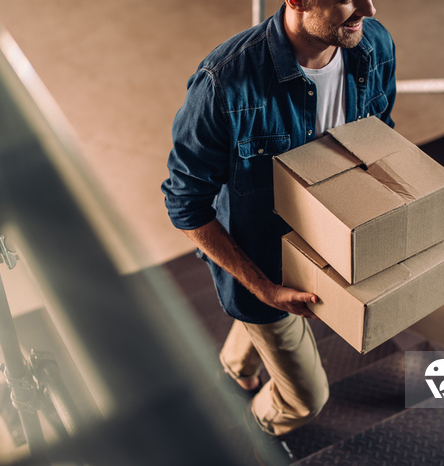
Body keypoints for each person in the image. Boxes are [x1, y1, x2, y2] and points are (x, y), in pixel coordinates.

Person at [161, 0, 396, 437]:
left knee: (259, 332)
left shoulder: (373, 46)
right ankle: (252, 431)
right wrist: (265, 289)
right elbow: (185, 203)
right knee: (305, 401)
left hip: (327, 252)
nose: (371, 8)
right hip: (265, 267)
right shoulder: (225, 83)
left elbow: (379, 135)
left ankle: (234, 371)